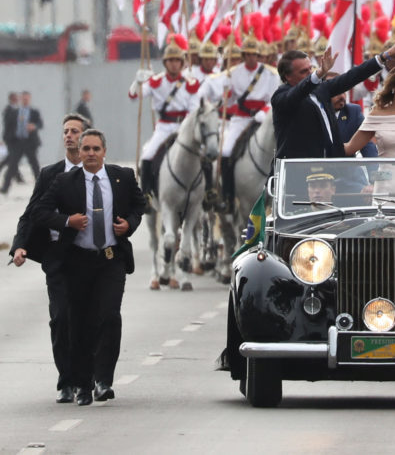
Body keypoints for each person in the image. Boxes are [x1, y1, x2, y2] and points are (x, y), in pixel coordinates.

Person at [31, 129, 145, 406]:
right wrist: (67, 221)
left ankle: (103, 379)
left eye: (96, 149)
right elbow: (39, 212)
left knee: (109, 316)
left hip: (110, 259)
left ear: (104, 151)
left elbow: (140, 205)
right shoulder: (64, 181)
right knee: (80, 324)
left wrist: (129, 223)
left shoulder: (123, 177)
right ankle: (82, 384)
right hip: (77, 261)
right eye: (86, 149)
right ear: (79, 153)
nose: (91, 154)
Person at [9, 113, 91, 403]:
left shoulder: (98, 173)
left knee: (86, 321)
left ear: (86, 137)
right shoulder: (49, 174)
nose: (69, 135)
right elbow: (30, 214)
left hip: (89, 259)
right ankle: (66, 382)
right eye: (66, 130)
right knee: (60, 319)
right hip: (57, 258)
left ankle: (86, 381)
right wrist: (20, 246)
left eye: (75, 131)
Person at [272, 40, 395, 159]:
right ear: (288, 77)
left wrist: (384, 57)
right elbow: (296, 94)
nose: (310, 74)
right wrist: (318, 74)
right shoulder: (280, 97)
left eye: (311, 69)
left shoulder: (321, 90)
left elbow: (352, 76)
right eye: (304, 72)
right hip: (298, 173)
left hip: (333, 169)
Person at [128, 41, 201, 199]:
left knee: (204, 155)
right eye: (170, 61)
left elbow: (194, 109)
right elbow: (135, 96)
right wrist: (137, 81)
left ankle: (208, 192)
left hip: (184, 127)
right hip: (164, 127)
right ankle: (146, 193)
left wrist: (187, 126)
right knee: (147, 155)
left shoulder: (190, 83)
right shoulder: (156, 81)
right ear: (165, 63)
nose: (174, 64)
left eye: (177, 61)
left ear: (182, 63)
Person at [217, 36, 281, 209]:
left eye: (254, 54)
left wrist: (264, 113)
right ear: (243, 55)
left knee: (281, 147)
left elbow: (275, 98)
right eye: (248, 54)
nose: (251, 58)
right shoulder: (234, 73)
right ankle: (228, 197)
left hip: (264, 118)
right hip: (241, 118)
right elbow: (229, 103)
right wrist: (226, 92)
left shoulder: (270, 73)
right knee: (226, 150)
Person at [326, 73, 377, 158]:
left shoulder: (353, 112)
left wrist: (373, 170)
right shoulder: (312, 113)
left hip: (346, 169)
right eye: (336, 92)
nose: (342, 96)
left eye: (343, 91)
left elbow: (367, 144)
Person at [2, 91, 43, 193]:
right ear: (20, 99)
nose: (25, 100)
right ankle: (5, 188)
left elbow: (40, 123)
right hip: (17, 142)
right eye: (23, 98)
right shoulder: (14, 112)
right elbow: (8, 127)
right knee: (12, 165)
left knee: (34, 165)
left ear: (29, 99)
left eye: (27, 99)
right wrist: (7, 139)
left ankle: (41, 188)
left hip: (30, 142)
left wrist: (34, 126)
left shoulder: (34, 112)